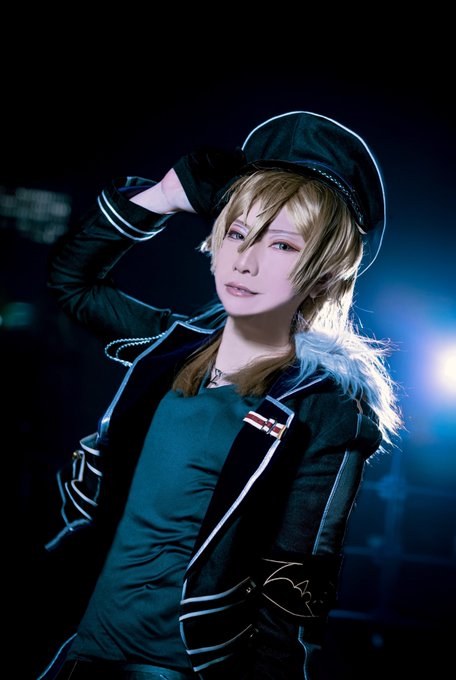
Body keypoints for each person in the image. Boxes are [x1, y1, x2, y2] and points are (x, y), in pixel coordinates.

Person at [38, 111, 402, 680]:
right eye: (237, 232)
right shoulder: (168, 347)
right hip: (72, 651)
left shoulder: (325, 408)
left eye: (282, 244)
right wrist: (162, 196)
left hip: (171, 669)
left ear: (326, 270)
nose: (245, 262)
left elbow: (294, 582)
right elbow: (72, 282)